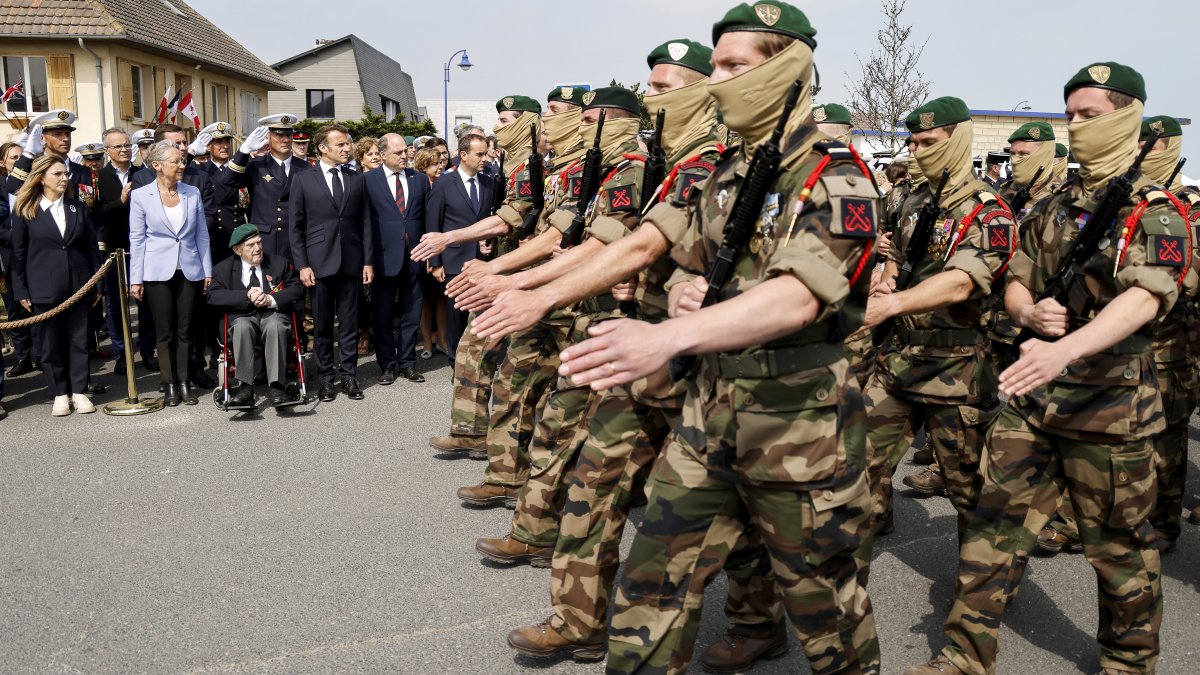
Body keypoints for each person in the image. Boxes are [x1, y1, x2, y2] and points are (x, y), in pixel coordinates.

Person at [551, 5, 882, 671]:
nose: (719, 79)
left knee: (824, 607)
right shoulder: (728, 170)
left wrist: (670, 335)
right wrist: (682, 290)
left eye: (735, 66)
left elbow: (799, 296)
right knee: (651, 583)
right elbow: (684, 260)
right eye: (718, 65)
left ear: (785, 69)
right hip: (709, 416)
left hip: (797, 427)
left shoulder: (836, 175)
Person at [904, 61, 1182, 675]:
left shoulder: (1155, 210)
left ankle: (1129, 662)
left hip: (1110, 405)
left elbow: (1148, 295)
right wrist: (1027, 313)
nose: (1077, 126)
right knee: (991, 529)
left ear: (1128, 117)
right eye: (1071, 115)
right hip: (1034, 398)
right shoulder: (1054, 204)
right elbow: (1016, 279)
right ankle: (964, 655)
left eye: (1091, 115)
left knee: (1118, 549)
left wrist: (1067, 347)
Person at [9, 155, 102, 416]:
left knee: (79, 341)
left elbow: (92, 250)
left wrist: (97, 285)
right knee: (50, 344)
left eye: (65, 174)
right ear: (41, 178)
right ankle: (60, 392)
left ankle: (79, 391)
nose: (64, 178)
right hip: (43, 288)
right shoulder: (26, 210)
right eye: (57, 174)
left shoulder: (78, 208)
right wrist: (21, 289)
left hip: (79, 285)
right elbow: (18, 255)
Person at [289, 123, 374, 402]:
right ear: (323, 148)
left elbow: (365, 223)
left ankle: (349, 377)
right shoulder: (303, 178)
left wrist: (368, 261)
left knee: (349, 324)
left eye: (348, 143)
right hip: (318, 263)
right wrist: (302, 265)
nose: (347, 148)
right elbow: (296, 226)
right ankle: (326, 378)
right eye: (341, 144)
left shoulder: (356, 179)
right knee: (323, 326)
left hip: (351, 261)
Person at [129, 140, 212, 407]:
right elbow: (137, 239)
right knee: (164, 331)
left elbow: (201, 234)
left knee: (185, 330)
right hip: (156, 271)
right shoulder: (141, 196)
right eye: (176, 161)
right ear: (157, 165)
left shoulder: (192, 192)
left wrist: (207, 270)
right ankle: (170, 384)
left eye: (182, 160)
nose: (181, 165)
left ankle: (185, 382)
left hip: (189, 268)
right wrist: (135, 278)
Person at [207, 224, 304, 406]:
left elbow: (297, 289)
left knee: (275, 325)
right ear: (237, 250)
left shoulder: (278, 263)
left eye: (259, 242)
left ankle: (277, 388)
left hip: (272, 314)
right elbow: (213, 296)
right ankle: (245, 389)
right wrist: (246, 295)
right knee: (242, 327)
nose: (257, 248)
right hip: (242, 316)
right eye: (250, 245)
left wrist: (270, 299)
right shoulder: (223, 269)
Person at [365, 133, 428, 385]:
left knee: (412, 313)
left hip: (415, 256)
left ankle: (408, 363)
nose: (405, 156)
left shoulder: (419, 179)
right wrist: (367, 260)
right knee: (382, 314)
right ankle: (387, 365)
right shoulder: (368, 181)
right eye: (398, 152)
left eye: (405, 151)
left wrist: (430, 255)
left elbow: (426, 218)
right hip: (383, 258)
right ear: (382, 155)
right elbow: (365, 223)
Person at [422, 133, 493, 357]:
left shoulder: (489, 183)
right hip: (454, 262)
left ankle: (477, 361)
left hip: (482, 261)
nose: (485, 159)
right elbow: (433, 224)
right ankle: (455, 362)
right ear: (463, 154)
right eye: (479, 154)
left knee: (481, 314)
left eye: (486, 153)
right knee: (457, 318)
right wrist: (435, 262)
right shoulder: (443, 183)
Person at [96, 126, 158, 375]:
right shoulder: (98, 177)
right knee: (117, 305)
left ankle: (148, 351)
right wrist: (119, 202)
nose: (124, 150)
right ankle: (122, 355)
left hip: (143, 249)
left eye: (126, 145)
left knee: (146, 303)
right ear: (107, 150)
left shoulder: (143, 173)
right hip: (115, 250)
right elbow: (96, 214)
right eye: (117, 146)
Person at [216, 114, 312, 260]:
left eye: (288, 135)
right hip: (265, 241)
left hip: (297, 242)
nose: (286, 140)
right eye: (279, 135)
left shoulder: (305, 167)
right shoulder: (257, 165)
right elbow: (228, 180)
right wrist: (244, 151)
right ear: (268, 137)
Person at [190, 121, 247, 264]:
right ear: (209, 146)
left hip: (237, 234)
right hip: (214, 235)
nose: (225, 146)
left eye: (227, 141)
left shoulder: (241, 168)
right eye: (218, 142)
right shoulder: (200, 170)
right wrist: (191, 152)